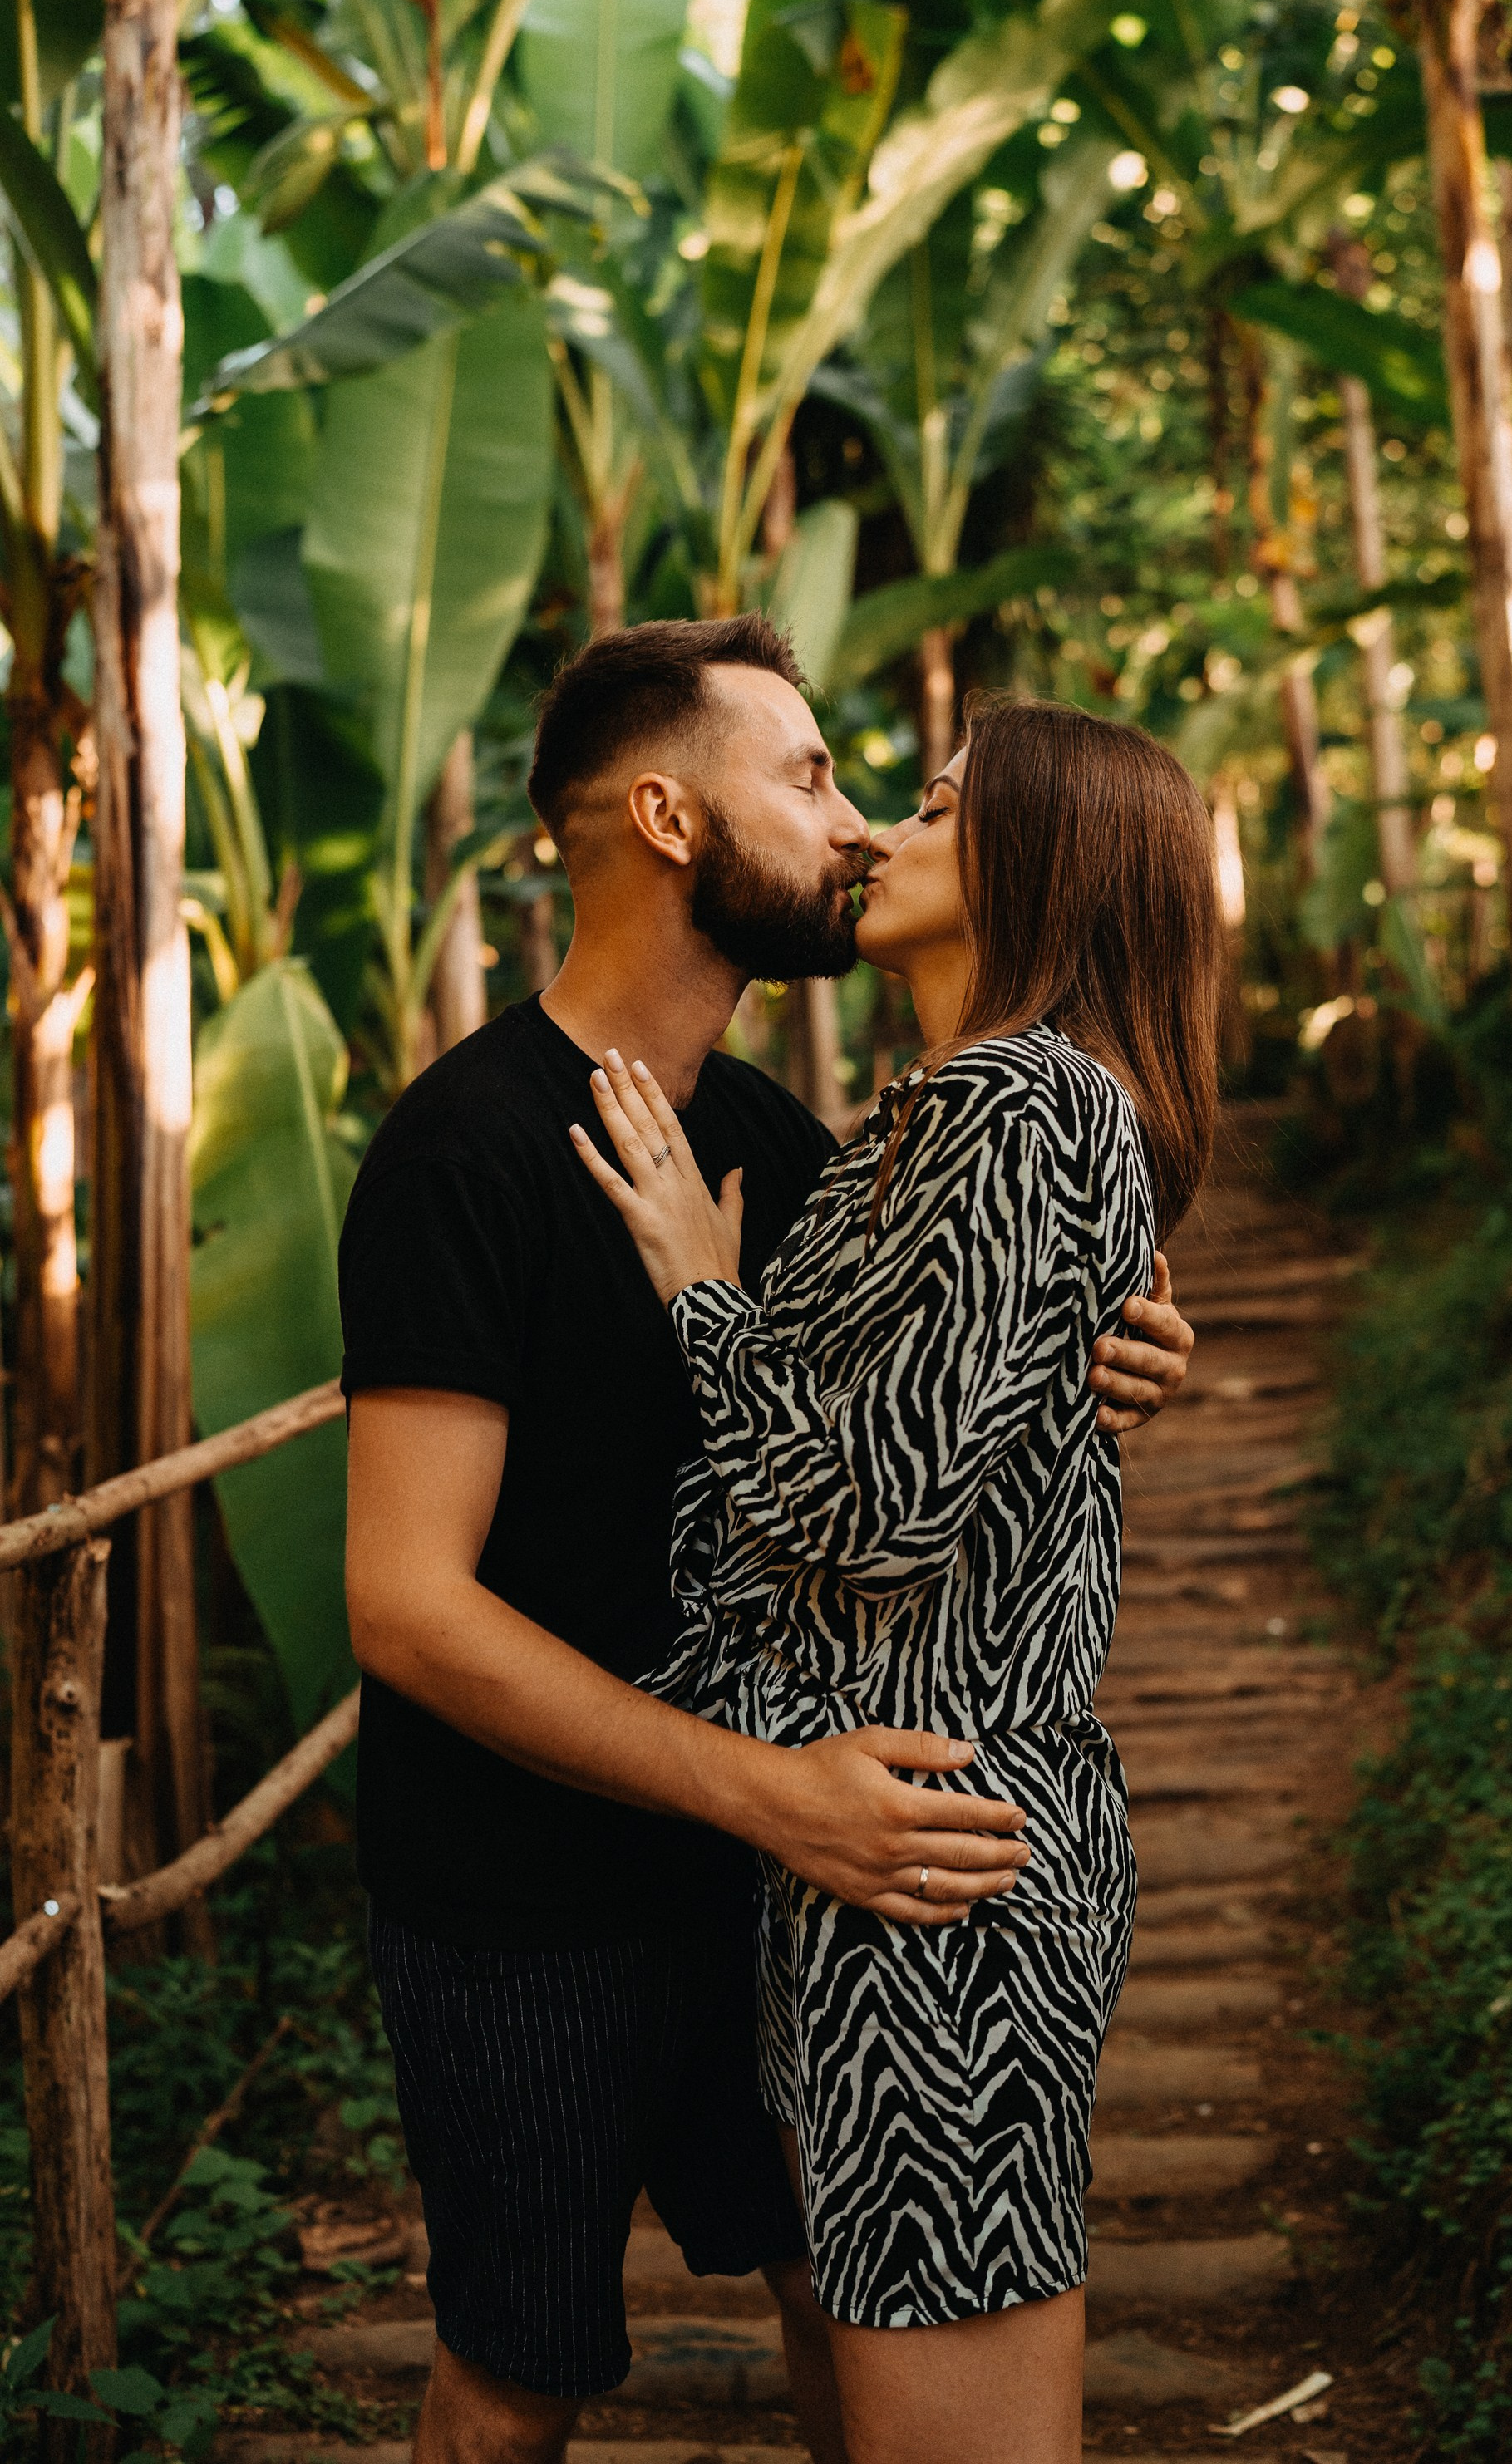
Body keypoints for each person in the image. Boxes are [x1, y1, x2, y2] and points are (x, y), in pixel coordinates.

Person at [340, 619, 1198, 2464]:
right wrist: (757, 1788)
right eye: (810, 777)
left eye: (894, 792)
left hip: (816, 1856)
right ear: (665, 813)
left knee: (844, 2288)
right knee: (520, 2372)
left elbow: (915, 1419)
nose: (860, 820)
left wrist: (1110, 1344)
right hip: (535, 1891)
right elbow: (405, 1610)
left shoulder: (789, 1137)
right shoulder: (465, 1149)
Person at [572, 691, 1221, 2464]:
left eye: (930, 807)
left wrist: (704, 1289)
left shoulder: (1020, 1111)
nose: (870, 832)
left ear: (1037, 860)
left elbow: (868, 1507)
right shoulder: (919, 1127)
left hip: (946, 1860)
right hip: (887, 1840)